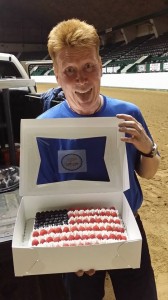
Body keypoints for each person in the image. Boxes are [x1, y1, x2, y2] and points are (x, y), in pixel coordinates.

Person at [37, 18, 160, 300]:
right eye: (69, 70)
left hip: (128, 226)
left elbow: (149, 173)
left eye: (88, 66)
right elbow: (42, 200)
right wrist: (72, 244)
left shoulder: (129, 114)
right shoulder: (44, 127)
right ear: (56, 74)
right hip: (74, 235)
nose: (81, 79)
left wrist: (147, 148)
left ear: (100, 65)